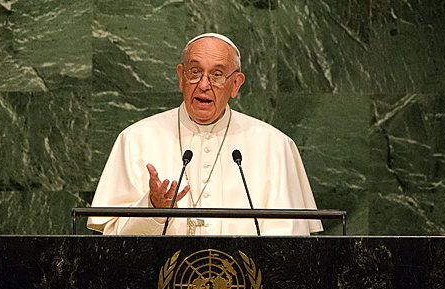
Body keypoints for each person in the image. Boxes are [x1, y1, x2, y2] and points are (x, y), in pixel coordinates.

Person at [87, 33, 323, 235]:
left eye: (217, 75)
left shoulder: (275, 146)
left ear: (236, 84)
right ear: (181, 77)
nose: (203, 84)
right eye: (195, 72)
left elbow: (290, 243)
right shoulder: (135, 140)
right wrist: (152, 207)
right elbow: (111, 239)